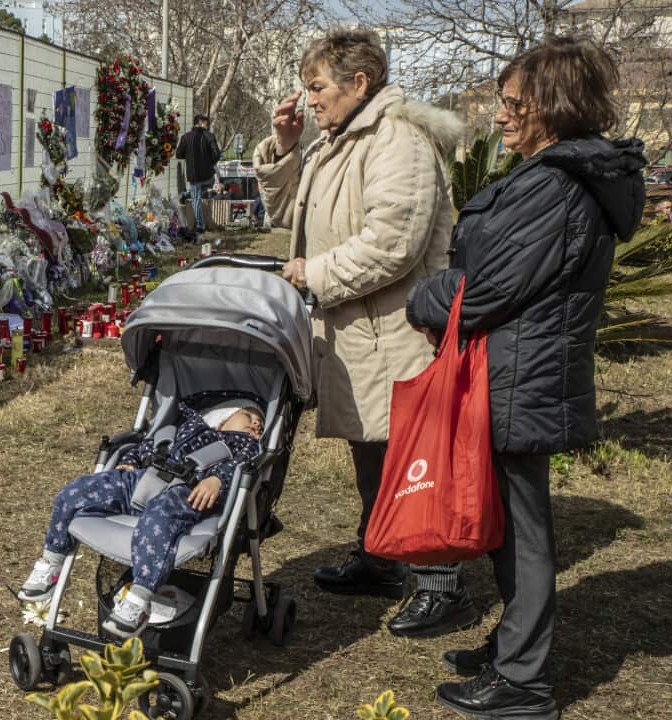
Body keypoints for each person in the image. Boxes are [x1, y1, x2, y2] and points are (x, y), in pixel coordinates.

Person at [407, 36, 645, 720]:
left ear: (556, 106)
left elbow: (486, 290)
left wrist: (425, 296)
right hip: (516, 368)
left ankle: (523, 683)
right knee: (510, 524)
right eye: (502, 101)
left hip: (521, 374)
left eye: (515, 104)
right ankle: (513, 649)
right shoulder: (556, 175)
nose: (501, 115)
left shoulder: (554, 185)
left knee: (523, 529)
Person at [252, 29, 476, 638]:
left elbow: (394, 243)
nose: (309, 98)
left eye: (317, 86)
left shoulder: (397, 139)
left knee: (413, 456)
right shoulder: (341, 141)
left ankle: (440, 582)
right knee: (371, 446)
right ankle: (381, 554)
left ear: (359, 83)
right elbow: (289, 215)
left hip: (396, 330)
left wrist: (315, 273)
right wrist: (286, 148)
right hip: (358, 331)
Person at [18, 400, 263, 638]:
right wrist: (129, 462)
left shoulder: (245, 444)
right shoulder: (186, 425)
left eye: (260, 423)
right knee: (73, 493)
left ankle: (139, 598)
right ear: (223, 418)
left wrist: (217, 479)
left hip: (186, 491)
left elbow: (243, 466)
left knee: (158, 521)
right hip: (142, 478)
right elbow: (145, 445)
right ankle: (52, 562)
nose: (256, 424)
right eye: (249, 416)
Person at [176, 114, 221, 234]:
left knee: (196, 198)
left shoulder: (185, 137)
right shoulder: (209, 136)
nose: (207, 125)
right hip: (208, 176)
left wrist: (189, 155)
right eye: (206, 122)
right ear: (200, 122)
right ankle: (187, 194)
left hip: (194, 175)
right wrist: (210, 162)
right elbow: (217, 155)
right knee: (203, 190)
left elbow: (179, 154)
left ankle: (201, 226)